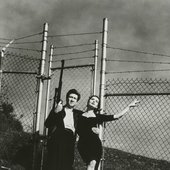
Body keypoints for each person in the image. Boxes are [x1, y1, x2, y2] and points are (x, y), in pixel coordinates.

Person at [77, 95, 139, 170]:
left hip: (94, 144)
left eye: (96, 101)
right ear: (88, 101)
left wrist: (129, 106)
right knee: (90, 164)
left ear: (97, 106)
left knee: (92, 163)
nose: (94, 101)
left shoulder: (98, 116)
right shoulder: (78, 114)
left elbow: (116, 116)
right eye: (92, 99)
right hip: (83, 144)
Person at [44, 89, 83, 170]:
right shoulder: (59, 109)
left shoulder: (78, 114)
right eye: (70, 97)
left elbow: (89, 118)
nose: (72, 99)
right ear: (67, 98)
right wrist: (55, 111)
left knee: (67, 164)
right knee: (53, 164)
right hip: (57, 137)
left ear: (77, 102)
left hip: (70, 139)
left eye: (74, 98)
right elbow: (47, 124)